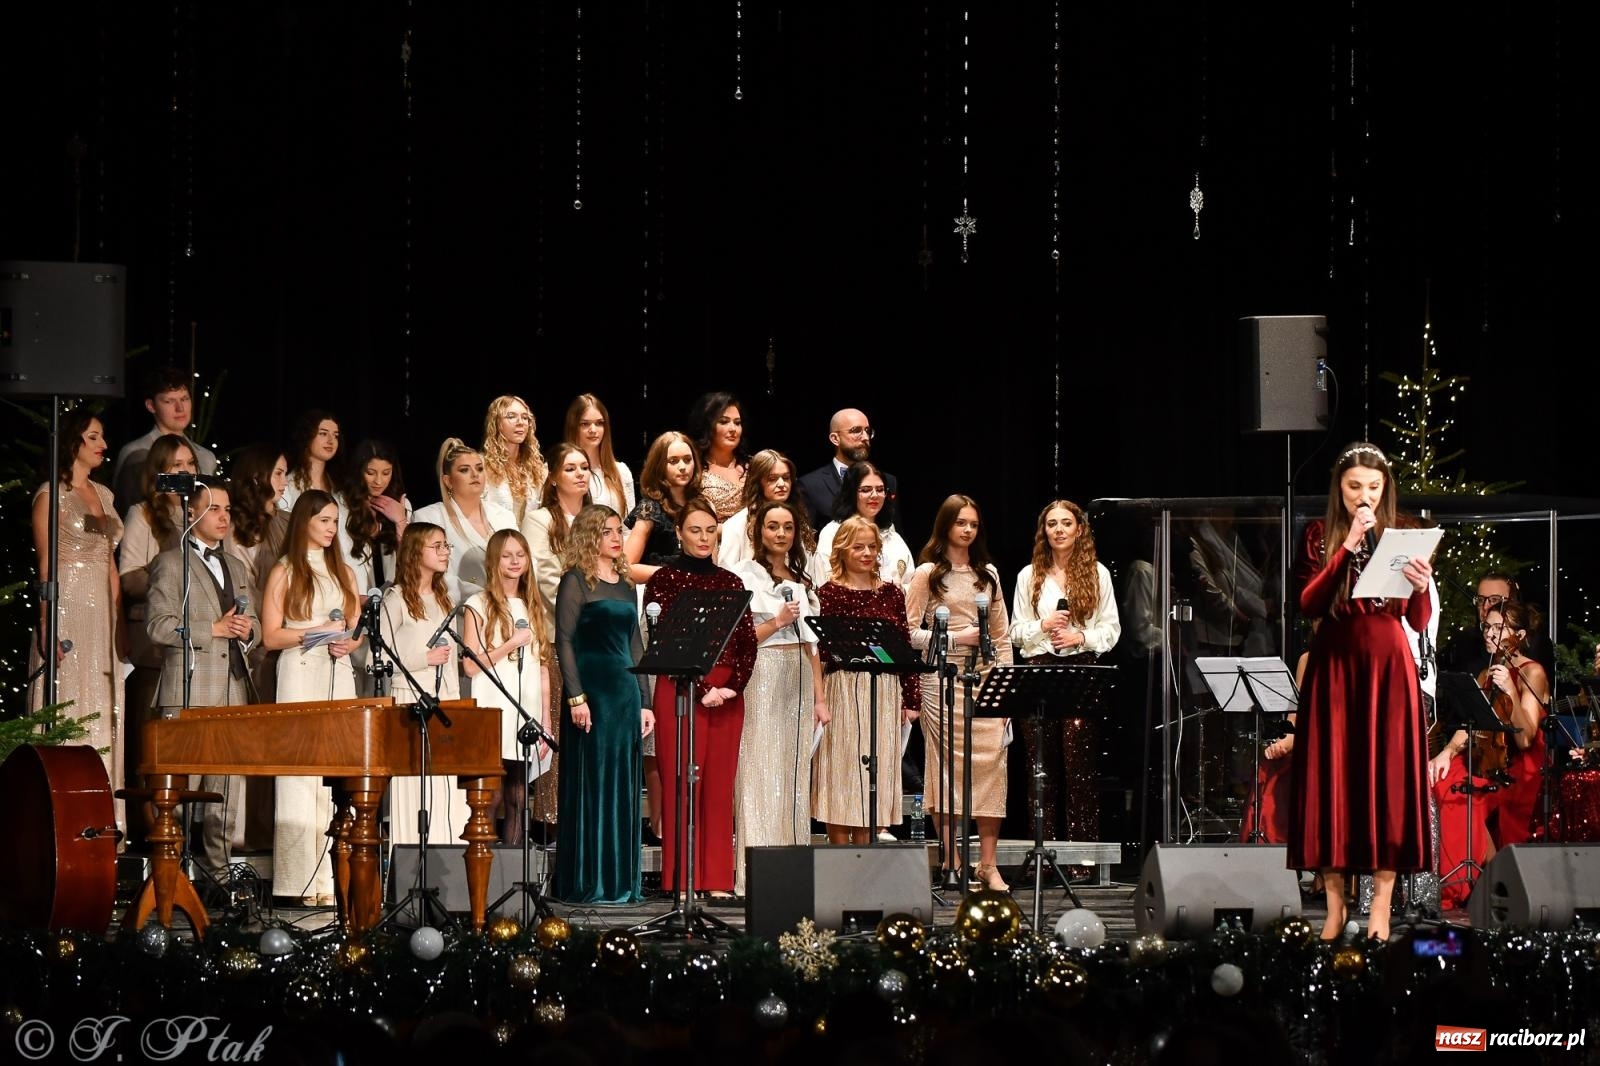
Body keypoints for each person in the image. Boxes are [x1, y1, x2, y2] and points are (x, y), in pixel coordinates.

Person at [1290, 443, 1434, 942]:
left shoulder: (1406, 534)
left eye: (1374, 488)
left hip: (1389, 667)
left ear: (1385, 489)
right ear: (1340, 489)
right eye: (1355, 487)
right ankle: (1334, 909)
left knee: (1386, 783)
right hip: (1335, 666)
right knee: (1335, 781)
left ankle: (1381, 910)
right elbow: (1308, 604)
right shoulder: (1319, 535)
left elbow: (1417, 622)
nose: (1364, 497)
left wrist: (1420, 587)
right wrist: (1346, 546)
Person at [644, 497, 758, 897]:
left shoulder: (731, 582)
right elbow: (663, 643)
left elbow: (746, 643)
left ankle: (715, 879)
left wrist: (731, 688)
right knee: (683, 784)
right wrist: (704, 688)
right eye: (695, 530)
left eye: (711, 530)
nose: (704, 538)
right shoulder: (664, 580)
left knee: (719, 785)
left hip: (727, 695)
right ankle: (682, 878)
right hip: (680, 690)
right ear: (678, 533)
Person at [147, 477, 259, 877]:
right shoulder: (170, 562)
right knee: (176, 791)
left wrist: (250, 630)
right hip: (188, 687)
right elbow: (158, 627)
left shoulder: (234, 564)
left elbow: (253, 622)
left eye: (228, 509)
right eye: (214, 508)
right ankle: (170, 874)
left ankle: (220, 872)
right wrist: (210, 629)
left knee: (226, 789)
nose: (223, 516)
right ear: (190, 511)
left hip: (232, 687)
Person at [905, 495, 1014, 890]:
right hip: (941, 680)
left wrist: (1005, 690)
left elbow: (1001, 638)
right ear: (946, 526)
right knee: (947, 769)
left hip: (984, 679)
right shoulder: (927, 574)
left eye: (973, 523)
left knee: (991, 766)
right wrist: (952, 636)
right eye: (960, 523)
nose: (967, 530)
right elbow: (909, 632)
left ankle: (988, 864)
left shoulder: (989, 575)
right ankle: (952, 862)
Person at [260, 489, 363, 907]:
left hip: (336, 672)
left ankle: (336, 879)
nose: (330, 529)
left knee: (337, 770)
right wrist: (313, 632)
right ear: (304, 521)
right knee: (301, 772)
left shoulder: (344, 570)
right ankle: (299, 879)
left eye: (335, 521)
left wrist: (348, 643)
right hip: (300, 671)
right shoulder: (286, 570)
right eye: (323, 520)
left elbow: (357, 626)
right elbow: (270, 636)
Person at [28, 409, 127, 830]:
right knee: (70, 701)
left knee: (105, 704)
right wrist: (49, 622)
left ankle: (104, 822)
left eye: (102, 436)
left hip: (101, 609)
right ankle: (63, 822)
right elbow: (46, 565)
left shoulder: (104, 495)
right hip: (67, 601)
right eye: (93, 437)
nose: (102, 444)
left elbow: (109, 562)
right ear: (72, 442)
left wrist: (119, 621)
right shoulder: (51, 494)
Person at [553, 505, 655, 904]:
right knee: (593, 784)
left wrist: (645, 702)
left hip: (624, 694)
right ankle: (588, 881)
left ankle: (619, 883)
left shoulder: (626, 583)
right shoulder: (576, 581)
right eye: (608, 532)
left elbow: (635, 644)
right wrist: (576, 697)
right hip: (591, 694)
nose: (617, 538)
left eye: (619, 531)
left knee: (623, 787)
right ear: (589, 536)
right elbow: (564, 640)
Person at [1007, 499, 1121, 843]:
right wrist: (1042, 625)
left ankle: (1081, 856)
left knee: (1079, 767)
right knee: (1039, 768)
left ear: (1079, 529)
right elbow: (1014, 631)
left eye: (1066, 523)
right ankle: (1043, 849)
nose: (1059, 530)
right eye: (1052, 524)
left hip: (1081, 671)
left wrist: (1080, 636)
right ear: (1044, 531)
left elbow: (1112, 630)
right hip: (1039, 671)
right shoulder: (1029, 575)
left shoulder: (1097, 573)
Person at [731, 500, 828, 897]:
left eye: (787, 527)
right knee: (758, 773)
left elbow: (812, 647)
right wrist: (776, 622)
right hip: (763, 672)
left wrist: (820, 698)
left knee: (792, 776)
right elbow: (740, 642)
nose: (781, 534)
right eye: (773, 526)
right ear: (760, 531)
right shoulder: (744, 576)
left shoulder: (802, 580)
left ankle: (792, 868)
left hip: (799, 678)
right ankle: (754, 873)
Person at [1428, 600, 1550, 907]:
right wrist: (1446, 751)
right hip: (1488, 760)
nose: (1490, 633)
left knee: (1463, 792)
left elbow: (1525, 739)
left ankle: (1471, 882)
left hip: (1519, 766)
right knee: (1440, 776)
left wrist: (1509, 688)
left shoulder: (1532, 672)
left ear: (1519, 635)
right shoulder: (1486, 671)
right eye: (1487, 626)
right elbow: (1474, 723)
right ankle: (1459, 879)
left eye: (1499, 627)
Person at [813, 516, 921, 844]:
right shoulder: (828, 593)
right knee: (841, 770)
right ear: (842, 549)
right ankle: (839, 856)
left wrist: (911, 698)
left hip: (884, 688)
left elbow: (902, 645)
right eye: (858, 546)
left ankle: (865, 853)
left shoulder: (891, 593)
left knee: (872, 773)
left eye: (872, 547)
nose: (865, 553)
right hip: (843, 687)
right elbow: (821, 650)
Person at [377, 523, 472, 849]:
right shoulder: (397, 598)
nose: (446, 552)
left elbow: (452, 658)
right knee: (416, 787)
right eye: (438, 546)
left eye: (447, 545)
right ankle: (410, 871)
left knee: (447, 791)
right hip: (410, 701)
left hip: (443, 701)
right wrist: (422, 657)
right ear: (417, 552)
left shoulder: (445, 599)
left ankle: (449, 870)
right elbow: (376, 659)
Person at [118, 434, 200, 808]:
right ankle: (150, 824)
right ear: (160, 472)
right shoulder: (144, 513)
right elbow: (128, 575)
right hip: (156, 642)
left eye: (190, 465)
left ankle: (187, 822)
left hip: (197, 639)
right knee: (154, 737)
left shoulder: (201, 513)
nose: (185, 472)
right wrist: (163, 577)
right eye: (176, 466)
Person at [462, 529, 553, 845]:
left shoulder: (532, 605)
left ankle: (512, 877)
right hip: (494, 708)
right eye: (507, 555)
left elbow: (542, 668)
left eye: (521, 554)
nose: (515, 561)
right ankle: (482, 872)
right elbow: (470, 664)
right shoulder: (478, 603)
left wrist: (545, 722)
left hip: (524, 710)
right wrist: (509, 644)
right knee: (493, 796)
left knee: (517, 797)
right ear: (494, 560)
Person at [412, 438, 518, 605]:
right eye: (464, 470)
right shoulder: (428, 518)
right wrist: (485, 596)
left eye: (479, 468)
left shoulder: (504, 516)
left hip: (507, 610)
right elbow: (432, 577)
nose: (475, 475)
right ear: (448, 481)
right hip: (457, 614)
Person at [110, 365, 219, 514]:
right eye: (169, 401)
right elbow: (125, 510)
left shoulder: (206, 457)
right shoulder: (137, 454)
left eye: (185, 399)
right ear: (151, 405)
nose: (180, 408)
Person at [811, 461, 914, 588]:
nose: (875, 495)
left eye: (880, 489)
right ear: (851, 493)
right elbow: (825, 586)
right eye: (866, 490)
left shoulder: (891, 533)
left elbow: (910, 582)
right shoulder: (832, 532)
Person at [1439, 572, 1557, 682]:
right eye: (1480, 600)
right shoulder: (1464, 640)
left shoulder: (1537, 644)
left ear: (1512, 601)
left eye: (1494, 600)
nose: (1485, 607)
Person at [522, 440, 592, 623]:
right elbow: (546, 580)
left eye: (584, 468)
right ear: (553, 478)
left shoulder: (599, 519)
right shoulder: (539, 520)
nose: (580, 474)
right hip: (560, 628)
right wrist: (583, 619)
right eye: (570, 469)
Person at [797, 407, 900, 531]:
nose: (865, 437)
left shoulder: (888, 481)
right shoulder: (810, 485)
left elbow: (895, 530)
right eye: (856, 431)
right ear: (835, 438)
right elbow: (806, 540)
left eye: (867, 431)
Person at [625, 430, 702, 583]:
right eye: (673, 461)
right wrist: (675, 575)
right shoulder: (650, 508)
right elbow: (626, 566)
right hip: (661, 592)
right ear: (659, 465)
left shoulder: (702, 505)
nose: (682, 467)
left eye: (687, 460)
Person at [717, 448, 813, 570]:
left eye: (786, 478)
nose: (782, 484)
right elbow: (726, 572)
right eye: (772, 479)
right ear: (758, 482)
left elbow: (807, 567)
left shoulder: (798, 519)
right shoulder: (738, 523)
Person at [342, 439, 410, 590]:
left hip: (392, 598)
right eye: (370, 473)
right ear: (358, 471)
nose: (379, 481)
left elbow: (411, 562)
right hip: (354, 595)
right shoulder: (341, 506)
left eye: (386, 473)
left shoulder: (401, 504)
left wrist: (401, 521)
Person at [565, 393, 635, 519]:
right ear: (573, 427)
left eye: (599, 423)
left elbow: (627, 528)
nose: (593, 430)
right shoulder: (556, 469)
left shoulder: (621, 471)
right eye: (585, 424)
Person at [482, 395, 547, 527]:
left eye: (525, 417)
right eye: (511, 416)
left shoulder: (538, 470)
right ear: (496, 422)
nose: (520, 422)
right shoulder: (482, 466)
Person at [686, 391, 749, 521]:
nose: (733, 429)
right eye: (724, 422)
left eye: (737, 423)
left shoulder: (753, 467)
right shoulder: (694, 469)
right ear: (707, 426)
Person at [278, 409, 343, 513]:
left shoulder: (338, 487)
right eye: (323, 433)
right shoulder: (288, 485)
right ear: (307, 437)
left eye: (335, 435)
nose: (331, 440)